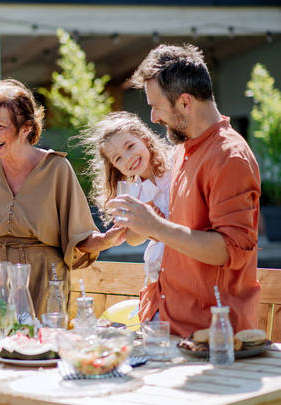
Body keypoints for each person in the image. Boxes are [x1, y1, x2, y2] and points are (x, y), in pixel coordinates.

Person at [0, 79, 126, 317]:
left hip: (44, 282)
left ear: (26, 128)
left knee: (40, 350)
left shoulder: (57, 169)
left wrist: (106, 240)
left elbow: (77, 240)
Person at [109, 44, 261, 337]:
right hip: (166, 321)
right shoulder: (181, 151)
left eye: (156, 106)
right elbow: (180, 228)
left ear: (185, 103)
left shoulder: (229, 156)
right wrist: (142, 223)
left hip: (209, 335)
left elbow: (231, 250)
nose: (153, 117)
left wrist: (156, 225)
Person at [81, 111, 173, 319]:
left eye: (130, 146)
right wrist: (142, 224)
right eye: (118, 158)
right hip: (159, 280)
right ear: (115, 167)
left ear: (145, 138)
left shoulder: (174, 169)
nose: (128, 158)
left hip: (184, 274)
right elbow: (132, 239)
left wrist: (154, 222)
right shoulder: (135, 192)